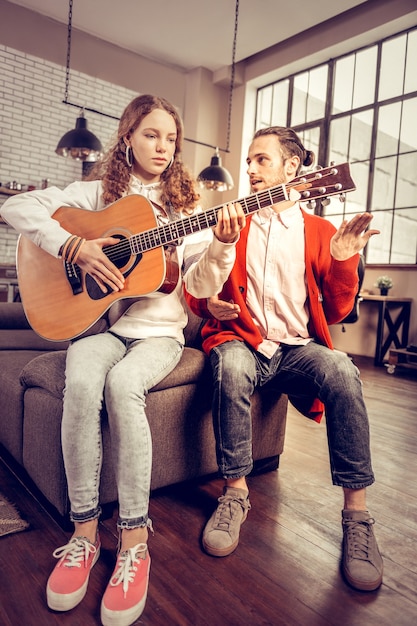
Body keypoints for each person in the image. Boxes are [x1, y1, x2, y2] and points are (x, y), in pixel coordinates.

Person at [0, 94, 245, 625]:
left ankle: (134, 541)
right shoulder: (94, 193)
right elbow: (14, 208)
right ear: (129, 136)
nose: (163, 147)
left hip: (158, 333)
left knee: (122, 387)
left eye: (171, 139)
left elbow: (199, 285)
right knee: (82, 383)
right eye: (152, 134)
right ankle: (84, 533)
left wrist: (221, 248)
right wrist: (76, 247)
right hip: (102, 326)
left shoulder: (188, 208)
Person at [185, 126, 384, 592]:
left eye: (260, 160)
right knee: (231, 365)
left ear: (291, 167)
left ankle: (357, 518)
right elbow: (198, 292)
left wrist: (342, 262)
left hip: (296, 348)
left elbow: (334, 313)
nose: (249, 169)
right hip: (243, 342)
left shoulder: (319, 230)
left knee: (341, 370)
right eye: (249, 161)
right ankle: (235, 494)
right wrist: (208, 305)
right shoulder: (236, 222)